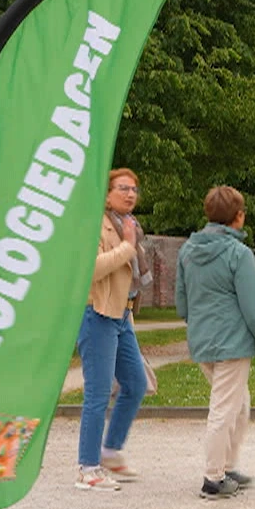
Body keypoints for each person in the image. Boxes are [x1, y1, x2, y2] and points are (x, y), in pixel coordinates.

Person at [176, 184, 255, 500]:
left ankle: (227, 466)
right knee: (224, 410)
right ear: (238, 217)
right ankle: (213, 479)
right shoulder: (239, 254)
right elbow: (253, 305)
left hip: (202, 342)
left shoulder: (187, 252)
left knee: (240, 404)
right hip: (232, 345)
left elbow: (182, 304)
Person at [75, 168, 148, 492]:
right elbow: (90, 270)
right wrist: (127, 249)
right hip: (97, 313)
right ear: (106, 194)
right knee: (98, 393)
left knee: (135, 383)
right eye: (123, 188)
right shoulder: (93, 224)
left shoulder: (129, 225)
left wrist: (130, 243)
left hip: (121, 316)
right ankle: (88, 468)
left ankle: (109, 450)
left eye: (134, 189)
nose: (130, 194)